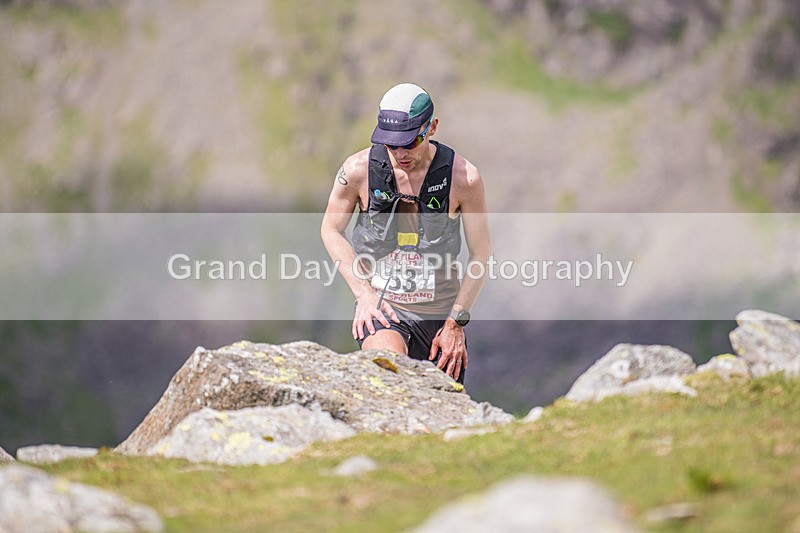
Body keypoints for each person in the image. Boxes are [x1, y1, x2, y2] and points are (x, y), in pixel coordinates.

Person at [321, 83, 490, 383]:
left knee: (439, 406)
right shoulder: (357, 170)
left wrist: (456, 324)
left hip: (440, 319)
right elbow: (331, 229)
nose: (400, 153)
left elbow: (481, 254)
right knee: (390, 377)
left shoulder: (464, 178)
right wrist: (363, 295)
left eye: (410, 142)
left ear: (432, 127)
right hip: (383, 309)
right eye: (390, 144)